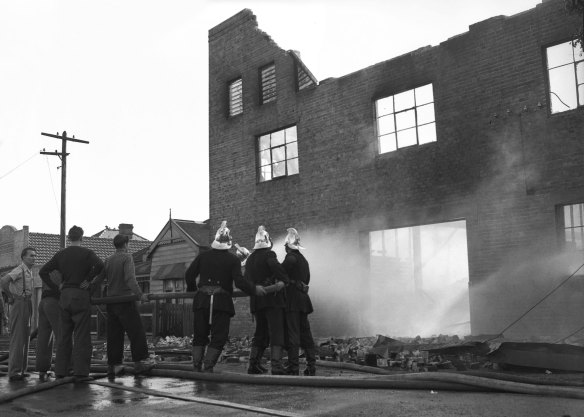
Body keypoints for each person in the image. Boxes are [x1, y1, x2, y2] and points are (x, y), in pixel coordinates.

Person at [185, 221, 266, 372]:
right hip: (221, 303)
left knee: (199, 335)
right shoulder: (233, 260)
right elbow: (240, 282)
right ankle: (208, 367)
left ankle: (197, 367)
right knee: (219, 336)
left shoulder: (203, 257)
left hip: (202, 300)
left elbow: (189, 275)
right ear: (229, 243)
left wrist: (192, 290)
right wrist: (254, 289)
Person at [39, 225, 104, 382]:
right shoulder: (87, 253)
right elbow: (101, 266)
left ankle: (61, 370)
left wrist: (57, 287)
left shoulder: (61, 254)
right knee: (81, 335)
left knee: (64, 335)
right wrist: (88, 280)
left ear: (68, 238)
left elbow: (43, 271)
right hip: (80, 295)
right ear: (82, 238)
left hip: (64, 296)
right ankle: (81, 371)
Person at [92, 234, 153, 379]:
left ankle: (113, 366)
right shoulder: (127, 257)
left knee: (114, 335)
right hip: (125, 300)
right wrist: (140, 295)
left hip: (111, 302)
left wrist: (90, 292)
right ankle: (140, 363)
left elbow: (98, 279)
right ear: (126, 244)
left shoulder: (108, 260)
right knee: (136, 332)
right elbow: (130, 279)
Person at [245, 225, 289, 375]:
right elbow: (276, 268)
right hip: (272, 300)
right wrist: (283, 279)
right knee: (276, 332)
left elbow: (246, 280)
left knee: (260, 332)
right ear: (267, 241)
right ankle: (276, 366)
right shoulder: (269, 255)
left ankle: (253, 364)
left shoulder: (250, 259)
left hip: (257, 301)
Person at [281, 228, 317, 376]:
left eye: (285, 246)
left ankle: (293, 367)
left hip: (292, 300)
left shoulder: (290, 258)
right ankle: (311, 366)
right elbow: (307, 279)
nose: (284, 248)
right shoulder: (304, 260)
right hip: (302, 299)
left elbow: (280, 273)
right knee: (306, 333)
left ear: (288, 246)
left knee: (293, 333)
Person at [0, 247, 36, 381]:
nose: (34, 258)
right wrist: (10, 296)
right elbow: (4, 281)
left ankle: (21, 370)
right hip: (19, 303)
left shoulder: (29, 271)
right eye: (31, 256)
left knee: (25, 337)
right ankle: (14, 372)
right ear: (23, 257)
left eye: (35, 256)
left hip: (27, 303)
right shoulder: (19, 270)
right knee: (18, 338)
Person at [35, 270, 65, 382]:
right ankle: (63, 370)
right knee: (61, 335)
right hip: (54, 303)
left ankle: (42, 370)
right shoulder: (64, 269)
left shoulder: (50, 270)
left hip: (43, 303)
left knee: (44, 338)